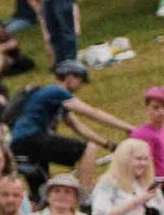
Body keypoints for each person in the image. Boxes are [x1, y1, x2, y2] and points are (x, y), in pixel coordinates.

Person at [8, 61, 133, 190]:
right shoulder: (56, 91)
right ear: (70, 77)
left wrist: (108, 145)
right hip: (32, 138)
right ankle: (86, 199)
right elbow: (92, 113)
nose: (81, 85)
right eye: (81, 80)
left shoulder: (54, 99)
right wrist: (128, 127)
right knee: (88, 149)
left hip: (20, 145)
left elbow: (78, 127)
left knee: (41, 192)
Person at [127, 86, 164, 188]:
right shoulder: (141, 135)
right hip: (156, 187)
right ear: (147, 108)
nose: (161, 111)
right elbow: (139, 168)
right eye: (156, 107)